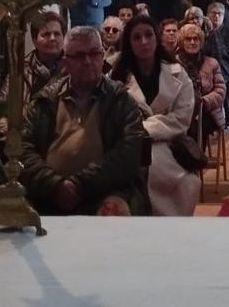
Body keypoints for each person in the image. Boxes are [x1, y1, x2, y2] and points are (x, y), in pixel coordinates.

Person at [18, 25, 148, 216]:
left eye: (94, 53)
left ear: (102, 56)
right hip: (47, 192)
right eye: (79, 56)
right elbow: (23, 149)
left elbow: (127, 155)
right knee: (15, 216)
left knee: (115, 212)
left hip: (104, 190)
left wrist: (79, 184)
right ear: (66, 62)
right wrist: (55, 185)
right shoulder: (45, 101)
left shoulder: (121, 100)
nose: (88, 61)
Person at [111, 15, 200, 216]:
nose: (144, 42)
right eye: (136, 37)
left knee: (188, 183)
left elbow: (182, 118)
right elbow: (113, 118)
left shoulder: (178, 73)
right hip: (130, 148)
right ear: (129, 43)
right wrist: (135, 133)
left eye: (148, 35)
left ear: (156, 38)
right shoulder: (116, 78)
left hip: (169, 146)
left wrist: (145, 128)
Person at [0, 12, 67, 135]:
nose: (52, 38)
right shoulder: (19, 70)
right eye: (46, 34)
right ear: (35, 40)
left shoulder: (73, 69)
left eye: (57, 34)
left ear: (64, 38)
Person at [175, 22, 226, 148]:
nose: (192, 42)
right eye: (188, 39)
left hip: (207, 112)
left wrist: (204, 102)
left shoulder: (211, 63)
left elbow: (220, 90)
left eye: (196, 39)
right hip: (180, 111)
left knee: (196, 127)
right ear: (182, 42)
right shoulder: (173, 64)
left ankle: (196, 163)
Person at [205, 2, 229, 126]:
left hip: (227, 66)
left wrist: (223, 51)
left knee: (225, 83)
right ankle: (212, 116)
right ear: (208, 15)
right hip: (209, 68)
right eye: (213, 14)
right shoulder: (205, 31)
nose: (216, 17)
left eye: (220, 14)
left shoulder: (228, 31)